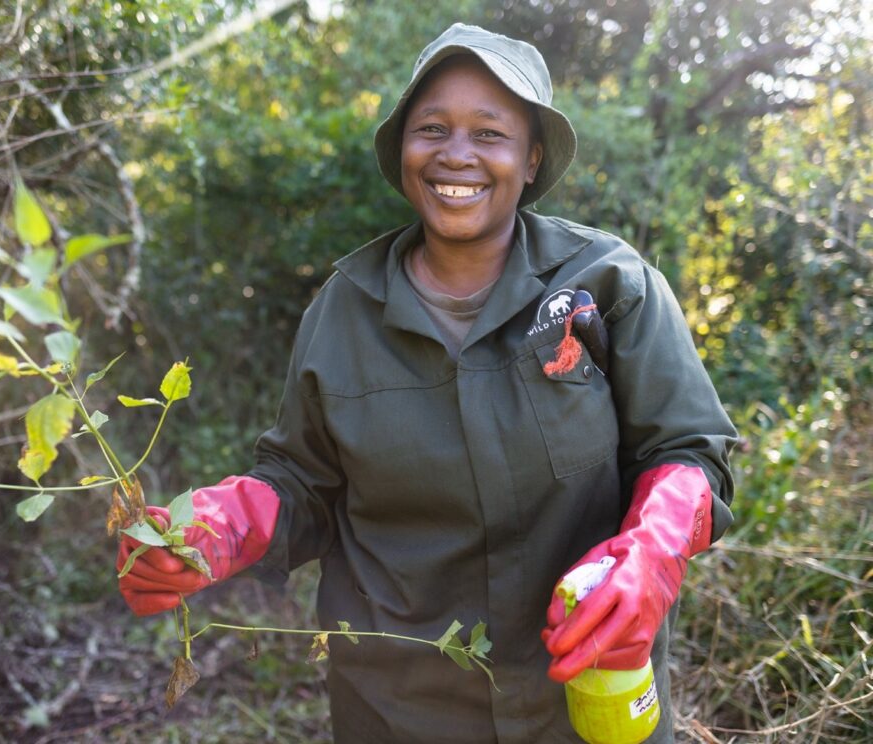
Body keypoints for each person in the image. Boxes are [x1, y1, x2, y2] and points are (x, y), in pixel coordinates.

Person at [117, 23, 736, 743]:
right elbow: (302, 483)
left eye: (490, 134)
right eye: (433, 128)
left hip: (587, 699)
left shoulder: (608, 284)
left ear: (532, 158)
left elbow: (690, 449)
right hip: (398, 711)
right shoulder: (343, 310)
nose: (457, 154)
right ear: (403, 150)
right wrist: (220, 527)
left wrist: (653, 551)